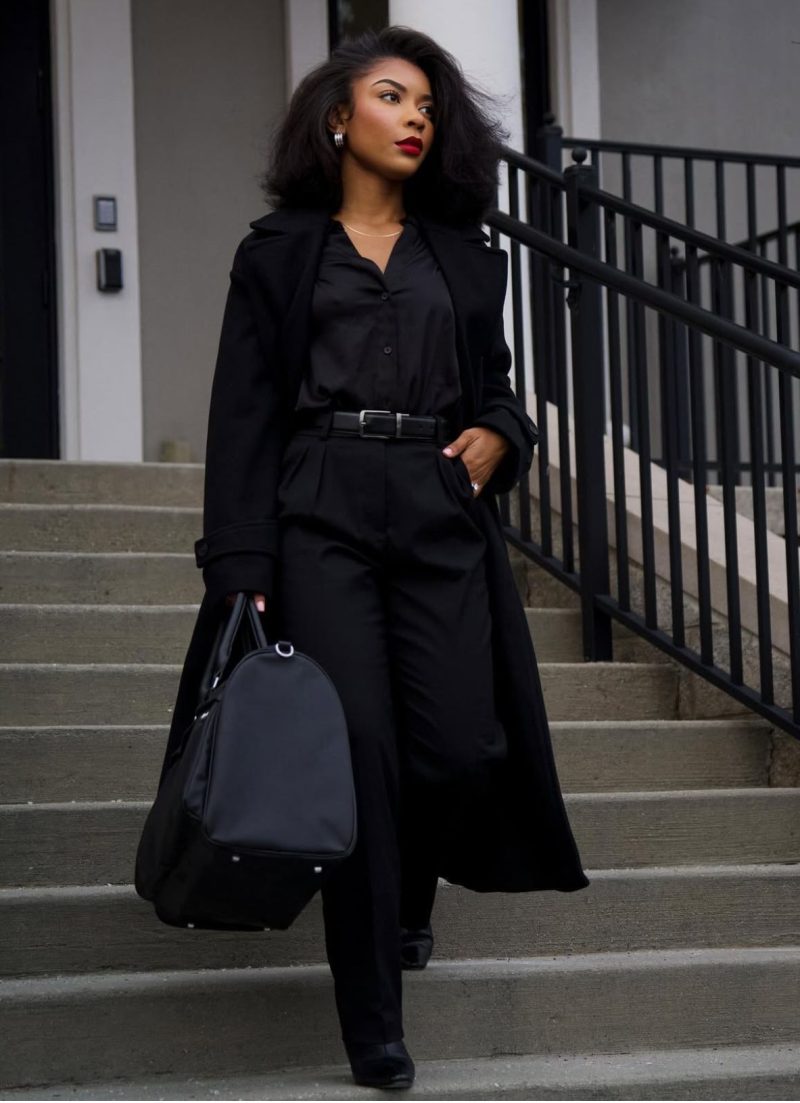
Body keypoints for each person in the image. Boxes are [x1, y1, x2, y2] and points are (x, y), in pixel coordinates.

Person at [164, 24, 589, 1092]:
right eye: (393, 97)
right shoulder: (278, 252)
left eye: (427, 107)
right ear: (336, 117)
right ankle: (374, 1026)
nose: (414, 117)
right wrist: (238, 560)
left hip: (437, 506)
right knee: (356, 752)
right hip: (319, 509)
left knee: (451, 744)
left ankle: (407, 895)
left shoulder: (463, 256)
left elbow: (494, 391)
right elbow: (244, 414)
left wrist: (504, 436)